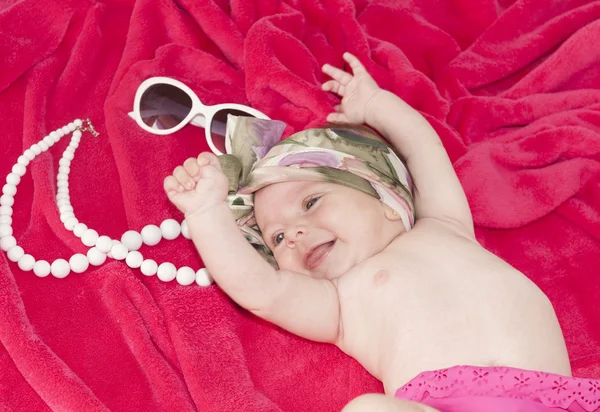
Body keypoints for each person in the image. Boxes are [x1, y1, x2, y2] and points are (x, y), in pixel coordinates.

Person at [163, 53, 597, 412]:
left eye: (311, 202)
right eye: (275, 239)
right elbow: (262, 290)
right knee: (367, 409)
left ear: (387, 197)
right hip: (443, 407)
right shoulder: (339, 304)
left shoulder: (444, 224)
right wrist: (206, 213)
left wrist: (374, 106)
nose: (292, 233)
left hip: (557, 401)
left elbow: (421, 148)